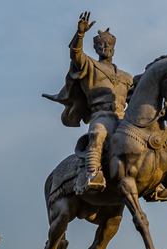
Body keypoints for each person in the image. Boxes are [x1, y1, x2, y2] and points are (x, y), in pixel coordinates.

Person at [43, 11, 133, 194]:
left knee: (144, 138)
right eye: (101, 44)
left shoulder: (126, 76)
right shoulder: (89, 65)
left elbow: (137, 99)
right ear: (96, 48)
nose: (105, 46)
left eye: (108, 44)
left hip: (123, 118)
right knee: (98, 134)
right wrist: (80, 34)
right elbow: (75, 55)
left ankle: (156, 181)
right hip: (102, 116)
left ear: (113, 48)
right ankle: (92, 174)